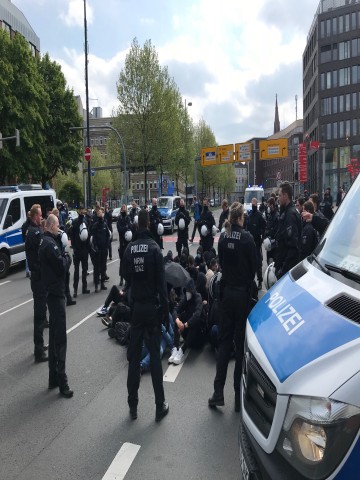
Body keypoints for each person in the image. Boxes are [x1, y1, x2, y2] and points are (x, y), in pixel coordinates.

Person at [208, 202, 257, 412]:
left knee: (224, 342)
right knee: (239, 345)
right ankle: (238, 396)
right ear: (240, 218)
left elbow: (220, 264)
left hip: (226, 295)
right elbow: (254, 267)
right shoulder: (247, 238)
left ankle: (218, 392)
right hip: (242, 296)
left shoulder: (223, 237)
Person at [123, 209, 169, 421]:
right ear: (149, 223)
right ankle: (160, 406)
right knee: (155, 359)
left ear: (136, 224)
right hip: (152, 308)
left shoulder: (129, 249)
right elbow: (162, 286)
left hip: (137, 309)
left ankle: (133, 406)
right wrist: (165, 309)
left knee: (133, 358)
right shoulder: (154, 249)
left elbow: (127, 280)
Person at [39, 214, 73, 398]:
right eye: (57, 225)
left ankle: (53, 377)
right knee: (60, 340)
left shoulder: (46, 242)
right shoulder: (50, 245)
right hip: (56, 293)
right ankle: (62, 382)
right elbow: (61, 265)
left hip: (51, 293)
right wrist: (67, 256)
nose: (59, 228)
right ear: (51, 226)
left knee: (53, 338)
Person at [25, 204, 48, 363]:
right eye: (40, 215)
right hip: (39, 278)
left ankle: (39, 345)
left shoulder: (31, 231)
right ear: (34, 217)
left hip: (37, 277)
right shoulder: (35, 233)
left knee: (40, 313)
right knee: (40, 315)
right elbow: (40, 257)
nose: (41, 218)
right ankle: (38, 350)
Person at [169, 277, 205, 365]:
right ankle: (175, 348)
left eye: (189, 291)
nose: (187, 293)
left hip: (199, 335)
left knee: (195, 321)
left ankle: (182, 350)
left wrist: (184, 325)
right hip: (187, 334)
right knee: (179, 318)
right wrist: (178, 321)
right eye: (186, 291)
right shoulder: (186, 298)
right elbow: (175, 310)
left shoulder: (198, 297)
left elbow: (197, 315)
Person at [274, 182, 302, 279]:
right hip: (283, 265)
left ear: (286, 196)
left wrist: (282, 270)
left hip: (287, 271)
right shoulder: (286, 212)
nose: (278, 198)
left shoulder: (290, 215)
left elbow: (293, 247)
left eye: (280, 195)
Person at [52, 207, 76, 306]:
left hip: (62, 252)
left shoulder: (60, 227)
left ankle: (68, 298)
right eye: (57, 216)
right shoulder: (53, 233)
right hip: (59, 256)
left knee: (66, 278)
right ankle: (63, 299)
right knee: (62, 281)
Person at [245, 198, 266, 289]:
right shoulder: (249, 216)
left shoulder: (259, 215)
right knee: (250, 262)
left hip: (257, 242)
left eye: (254, 204)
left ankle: (260, 281)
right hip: (250, 243)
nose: (253, 205)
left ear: (256, 204)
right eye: (252, 204)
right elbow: (246, 228)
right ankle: (251, 280)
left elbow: (264, 227)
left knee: (258, 263)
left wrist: (261, 236)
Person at [70, 205, 90, 298]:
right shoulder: (75, 222)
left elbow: (88, 235)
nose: (82, 211)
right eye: (81, 210)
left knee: (85, 269)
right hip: (77, 249)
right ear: (78, 211)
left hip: (84, 249)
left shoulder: (86, 221)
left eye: (83, 209)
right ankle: (75, 290)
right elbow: (72, 235)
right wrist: (74, 247)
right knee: (77, 270)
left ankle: (84, 288)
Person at [91, 207, 111, 292]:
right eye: (98, 213)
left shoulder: (105, 224)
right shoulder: (95, 226)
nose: (100, 215)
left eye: (101, 213)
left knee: (103, 267)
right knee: (97, 268)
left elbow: (107, 235)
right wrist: (95, 247)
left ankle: (102, 283)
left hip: (104, 249)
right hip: (97, 250)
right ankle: (96, 285)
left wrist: (106, 245)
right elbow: (93, 237)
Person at [117, 204, 132, 286]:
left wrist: (126, 227)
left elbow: (130, 227)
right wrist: (125, 227)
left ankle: (127, 279)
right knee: (122, 261)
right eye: (122, 207)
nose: (123, 209)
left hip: (128, 243)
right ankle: (121, 278)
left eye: (124, 207)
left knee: (128, 261)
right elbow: (120, 229)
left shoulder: (128, 218)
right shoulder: (119, 218)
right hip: (122, 242)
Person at [264, 197, 279, 265]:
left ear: (272, 205)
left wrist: (268, 232)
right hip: (269, 243)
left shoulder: (276, 216)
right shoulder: (270, 215)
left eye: (269, 205)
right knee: (268, 260)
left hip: (273, 243)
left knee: (273, 261)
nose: (268, 207)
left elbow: (276, 230)